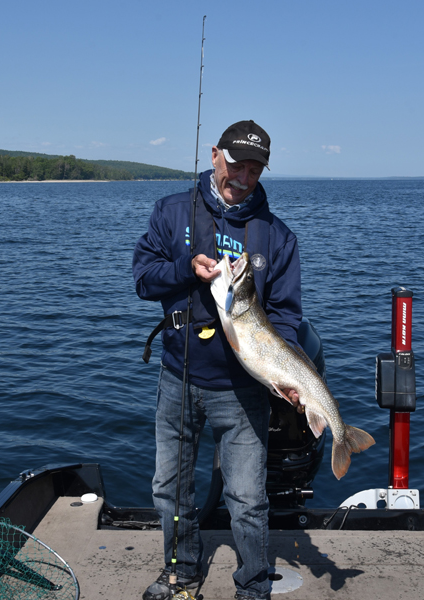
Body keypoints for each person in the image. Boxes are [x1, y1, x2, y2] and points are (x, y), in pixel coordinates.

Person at [132, 120, 303, 600]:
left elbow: (287, 320)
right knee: (170, 488)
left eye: (254, 169)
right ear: (214, 156)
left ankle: (252, 584)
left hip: (245, 387)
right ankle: (182, 572)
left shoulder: (278, 237)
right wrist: (185, 269)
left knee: (248, 499)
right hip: (178, 376)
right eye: (235, 164)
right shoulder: (171, 213)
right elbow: (143, 280)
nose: (243, 177)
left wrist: (283, 376)